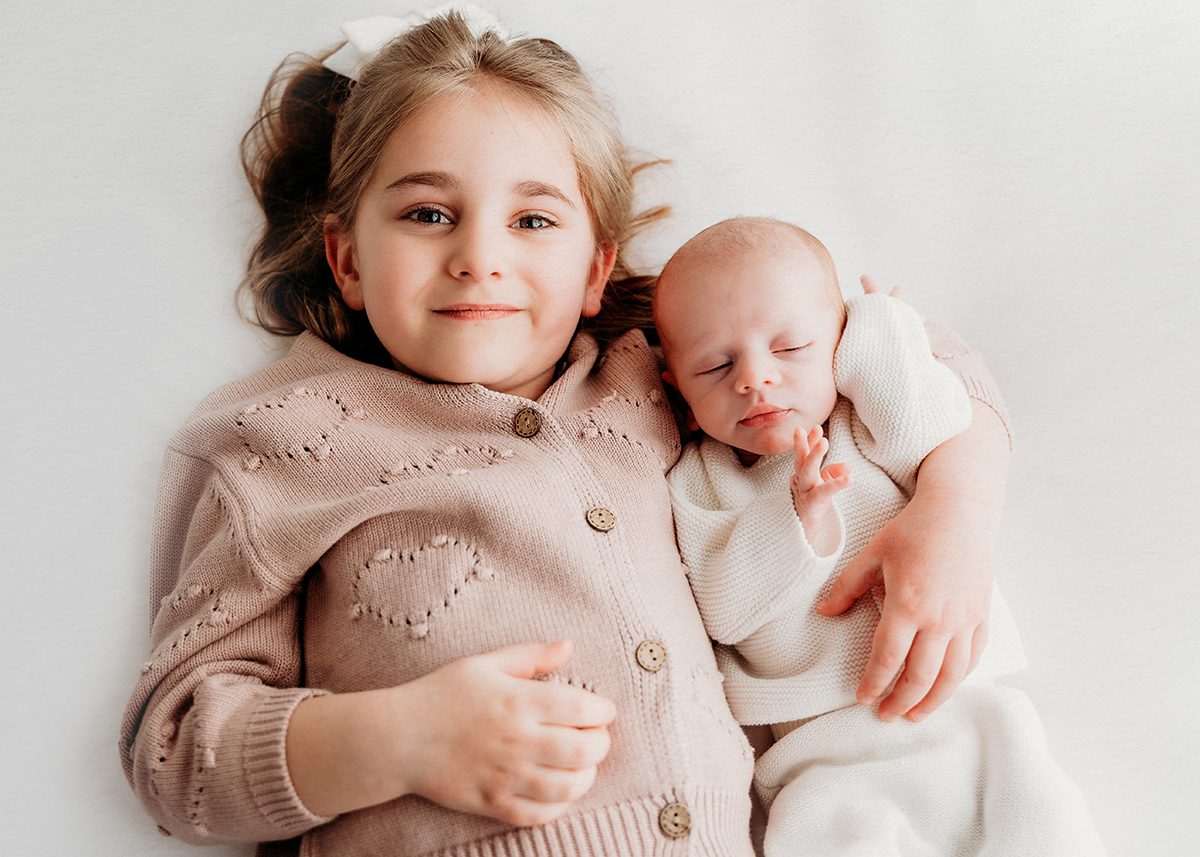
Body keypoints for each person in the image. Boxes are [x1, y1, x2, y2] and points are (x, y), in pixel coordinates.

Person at [119, 8, 1018, 856]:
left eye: (533, 219)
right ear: (348, 257)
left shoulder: (659, 369)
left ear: (596, 271)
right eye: (428, 213)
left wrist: (955, 511)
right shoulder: (276, 437)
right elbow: (174, 746)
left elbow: (899, 346)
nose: (481, 255)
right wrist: (394, 739)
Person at [656, 217, 1105, 856]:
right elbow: (724, 609)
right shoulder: (699, 481)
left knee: (1044, 824)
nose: (753, 379)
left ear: (839, 343)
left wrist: (881, 328)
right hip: (822, 747)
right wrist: (797, 516)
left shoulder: (864, 423)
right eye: (715, 364)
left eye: (789, 349)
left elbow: (934, 419)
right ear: (676, 386)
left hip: (961, 708)